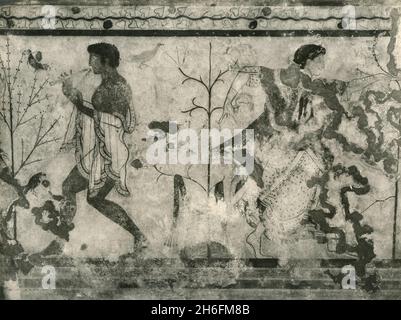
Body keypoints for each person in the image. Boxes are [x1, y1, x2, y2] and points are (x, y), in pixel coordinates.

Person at [60, 42, 146, 250]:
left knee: (91, 197)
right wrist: (76, 100)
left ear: (105, 60)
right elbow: (101, 116)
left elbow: (109, 121)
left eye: (93, 58)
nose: (90, 63)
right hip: (100, 150)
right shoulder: (107, 83)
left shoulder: (117, 86)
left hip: (110, 153)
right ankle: (61, 236)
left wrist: (78, 103)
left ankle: (139, 237)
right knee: (72, 188)